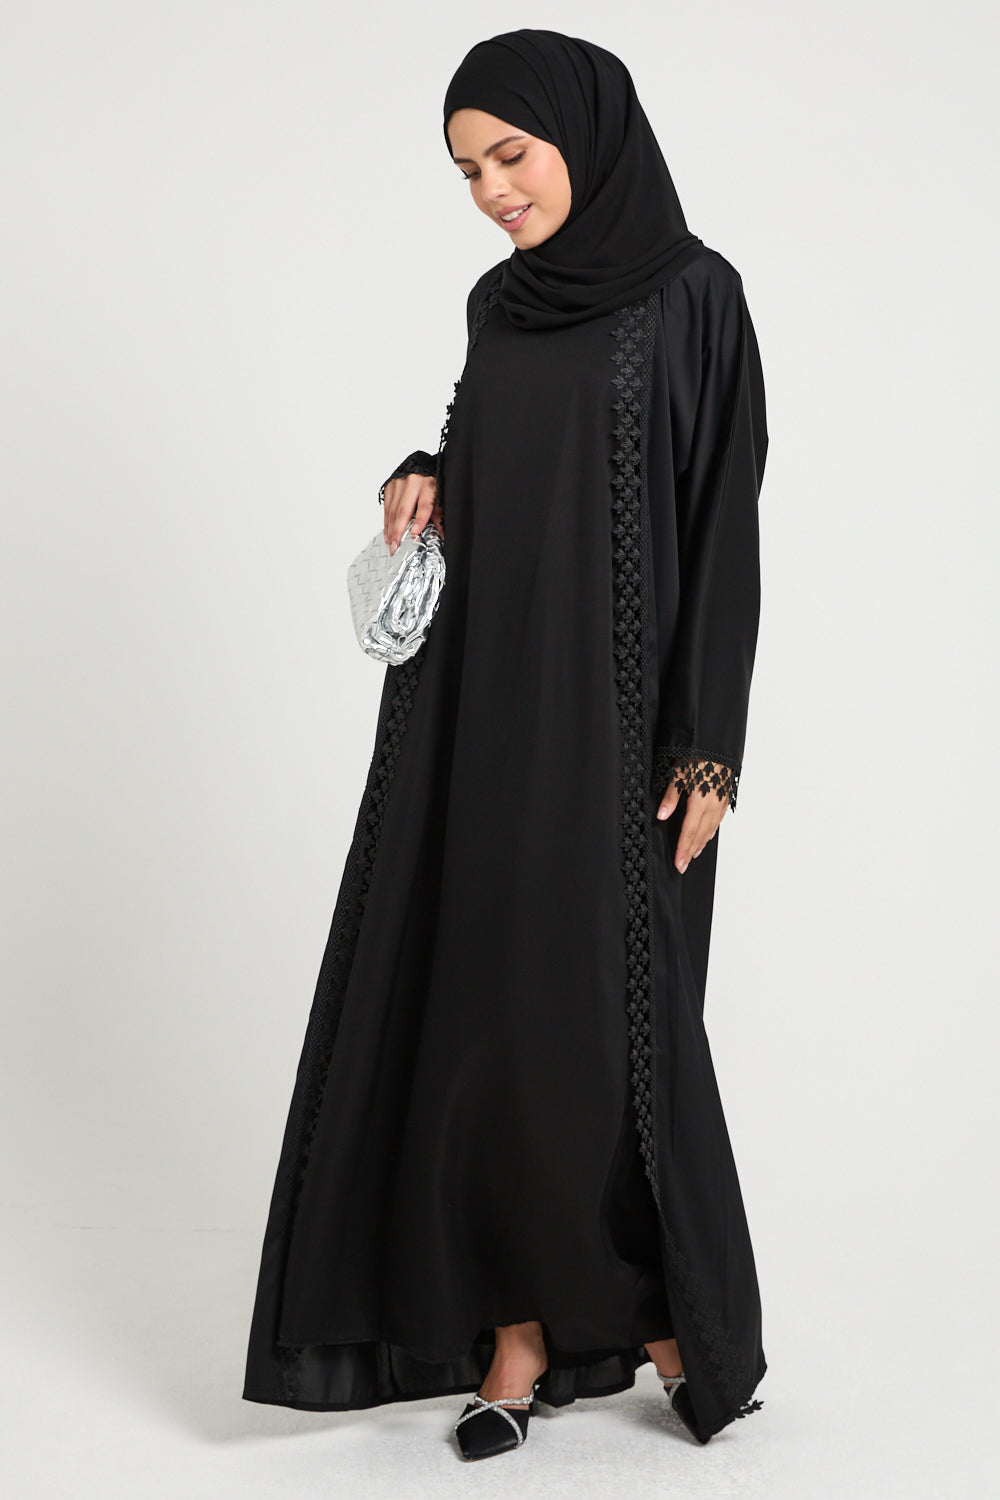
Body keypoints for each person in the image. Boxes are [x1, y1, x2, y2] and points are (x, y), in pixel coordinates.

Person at [242, 28, 769, 1461]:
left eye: (511, 157)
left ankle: (667, 1316)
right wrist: (425, 471)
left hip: (626, 731)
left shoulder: (697, 295)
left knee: (608, 1022)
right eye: (468, 171)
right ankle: (518, 1337)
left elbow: (723, 526)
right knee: (486, 1017)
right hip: (480, 708)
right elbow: (492, 449)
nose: (491, 192)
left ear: (586, 138)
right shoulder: (500, 303)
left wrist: (708, 748)